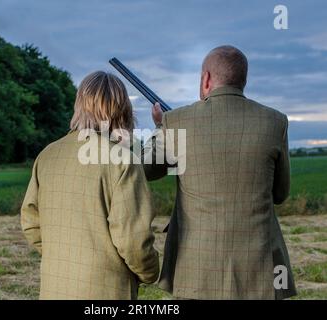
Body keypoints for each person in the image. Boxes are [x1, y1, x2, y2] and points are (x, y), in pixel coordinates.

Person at [144, 45, 296, 299]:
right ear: (243, 80)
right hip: (260, 272)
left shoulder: (175, 122)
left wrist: (160, 127)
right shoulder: (275, 121)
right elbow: (280, 194)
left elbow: (146, 170)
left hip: (196, 271)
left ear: (206, 79)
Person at [21, 71, 159, 299]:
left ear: (79, 105)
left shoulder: (47, 155)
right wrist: (150, 273)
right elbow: (134, 241)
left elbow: (30, 222)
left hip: (54, 288)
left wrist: (61, 258)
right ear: (122, 109)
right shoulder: (123, 160)